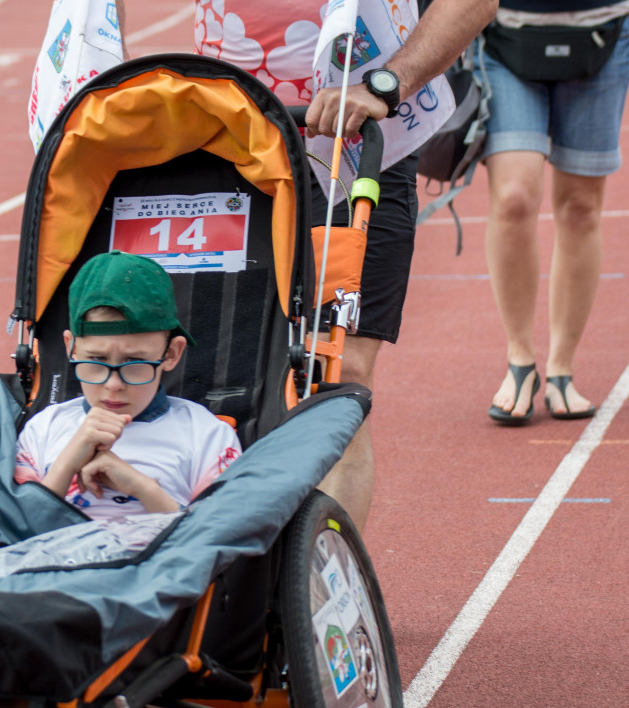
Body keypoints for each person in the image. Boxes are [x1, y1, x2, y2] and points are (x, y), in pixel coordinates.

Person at [116, 0, 499, 532]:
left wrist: (386, 85)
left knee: (336, 375)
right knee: (216, 364)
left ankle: (321, 586)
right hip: (227, 142)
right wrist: (105, 59)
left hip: (357, 143)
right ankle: (221, 565)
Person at [481, 1, 629, 425]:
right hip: (505, 33)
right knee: (513, 197)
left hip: (604, 31)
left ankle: (562, 367)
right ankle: (520, 360)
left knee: (581, 207)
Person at [14, 251, 242, 521]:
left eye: (134, 363)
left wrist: (141, 486)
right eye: (96, 361)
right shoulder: (44, 429)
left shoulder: (206, 435)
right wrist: (66, 464)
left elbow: (221, 536)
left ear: (171, 354)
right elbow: (15, 532)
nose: (113, 385)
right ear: (71, 348)